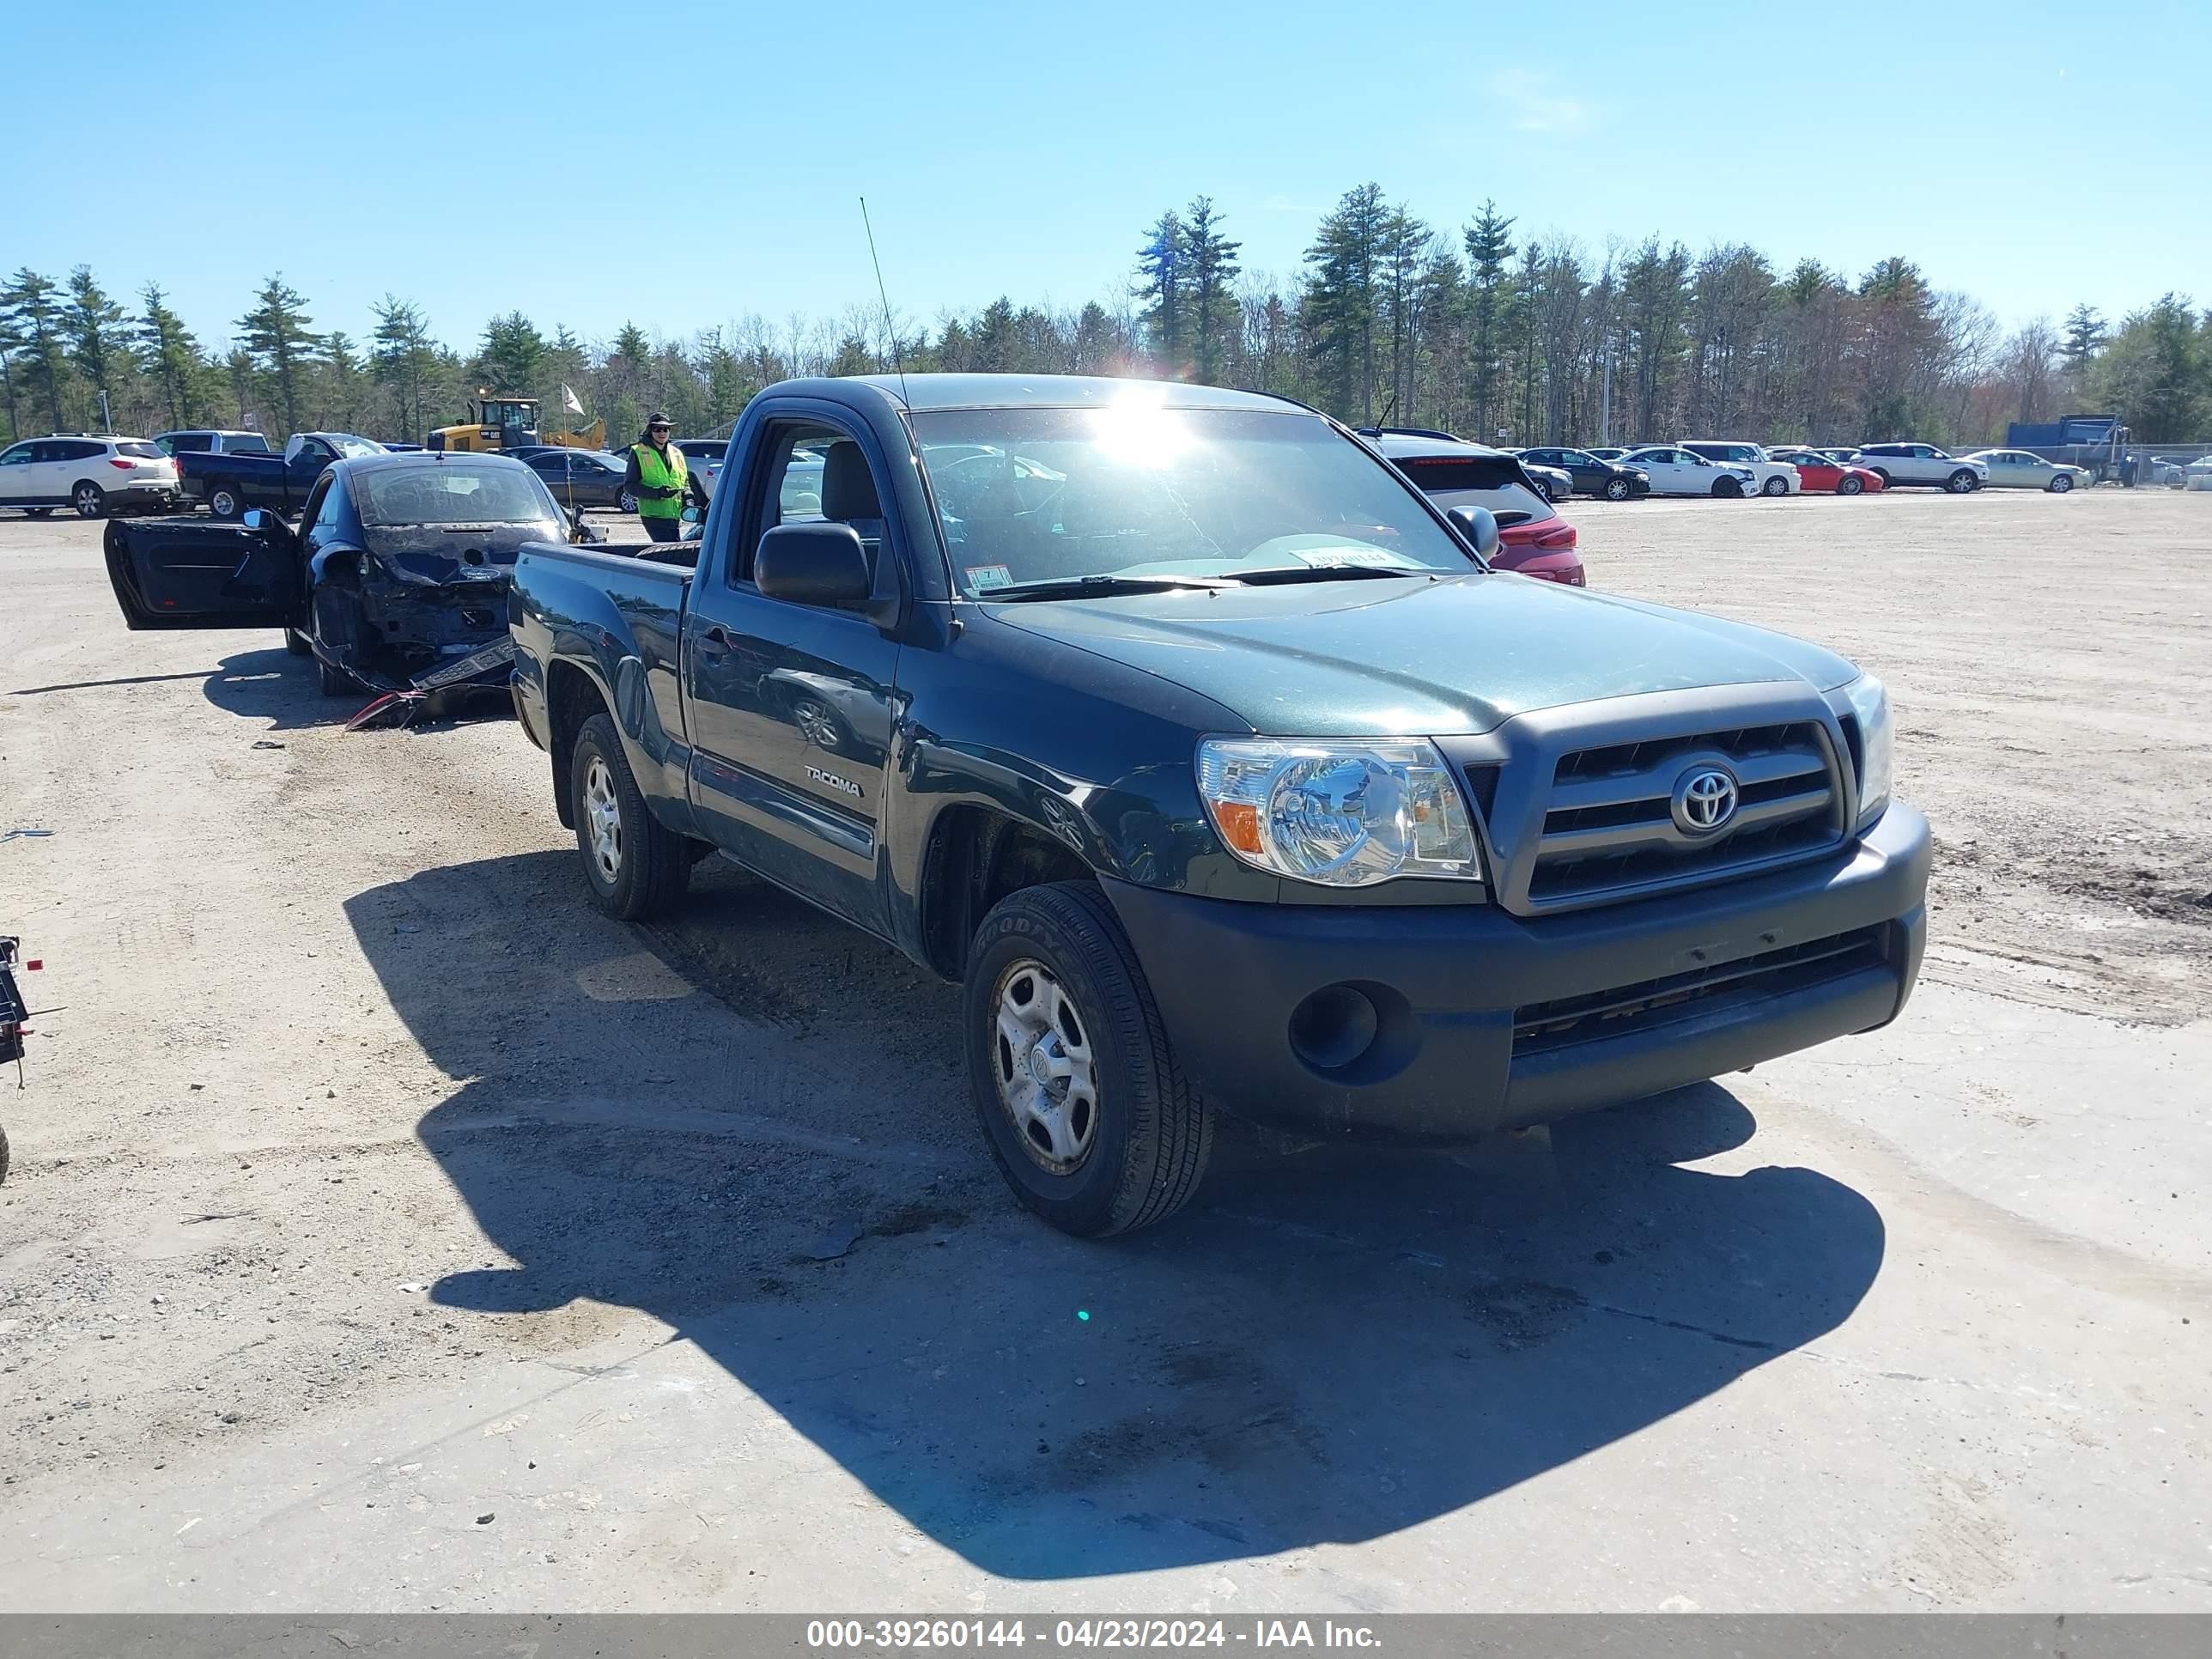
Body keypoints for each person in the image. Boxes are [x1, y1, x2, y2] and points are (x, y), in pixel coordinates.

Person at [622, 413, 708, 541]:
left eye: (666, 429)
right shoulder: (639, 451)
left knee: (675, 551)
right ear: (650, 430)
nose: (662, 433)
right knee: (667, 552)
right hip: (654, 516)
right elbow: (630, 486)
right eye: (657, 429)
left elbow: (684, 481)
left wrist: (688, 494)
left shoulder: (676, 453)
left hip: (674, 515)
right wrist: (658, 493)